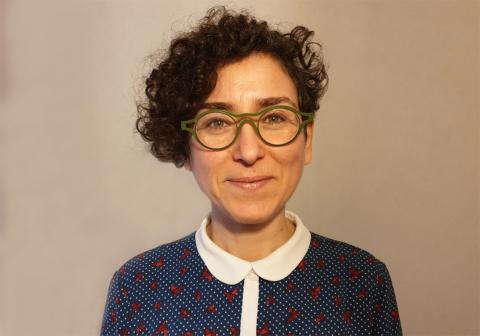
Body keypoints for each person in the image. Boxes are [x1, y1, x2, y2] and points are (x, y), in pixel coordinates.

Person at [100, 6, 402, 336]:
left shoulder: (362, 282)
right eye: (217, 122)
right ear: (184, 147)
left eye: (274, 118)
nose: (249, 151)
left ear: (307, 138)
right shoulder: (137, 288)